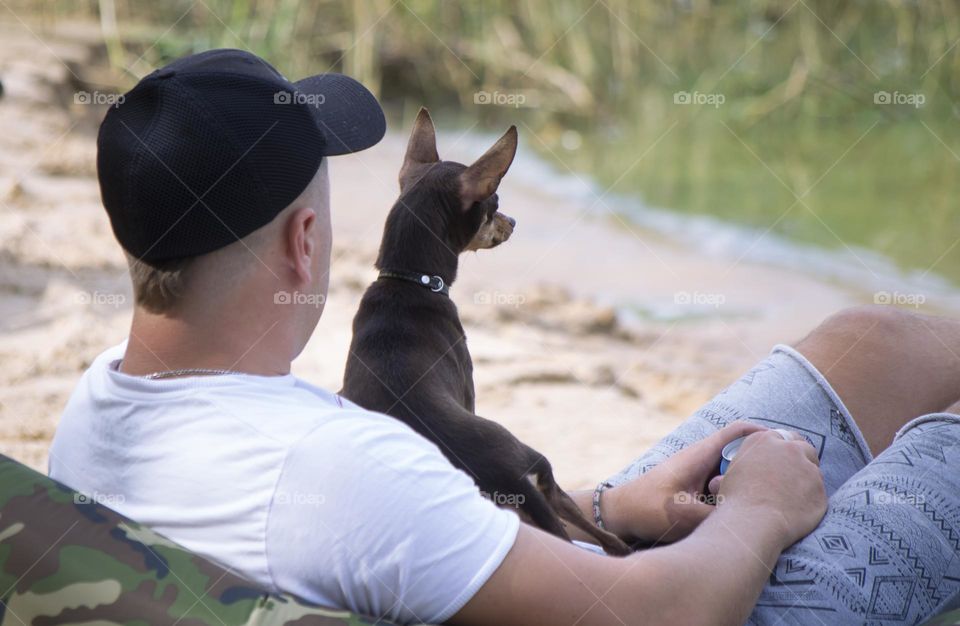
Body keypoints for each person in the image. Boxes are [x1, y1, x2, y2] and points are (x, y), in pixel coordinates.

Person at [49, 49, 960, 625]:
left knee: (866, 342)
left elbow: (414, 542)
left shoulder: (91, 419)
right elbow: (664, 614)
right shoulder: (334, 471)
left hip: (552, 575)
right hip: (684, 607)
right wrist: (761, 509)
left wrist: (603, 509)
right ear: (304, 243)